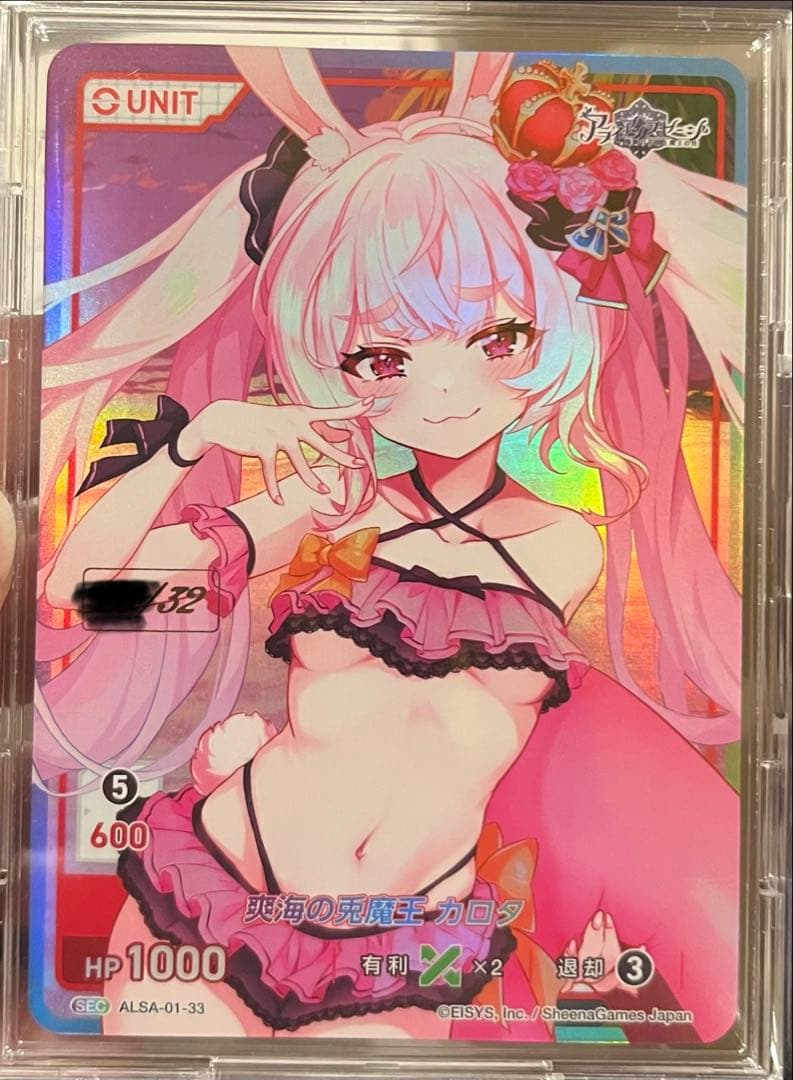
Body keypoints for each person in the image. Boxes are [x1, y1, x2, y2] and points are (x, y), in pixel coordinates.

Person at [37, 49, 745, 1041]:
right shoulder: (328, 510)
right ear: (332, 359)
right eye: (382, 354)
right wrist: (203, 439)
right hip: (220, 886)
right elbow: (86, 594)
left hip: (404, 946)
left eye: (495, 340)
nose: (442, 390)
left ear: (552, 332)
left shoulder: (563, 547)